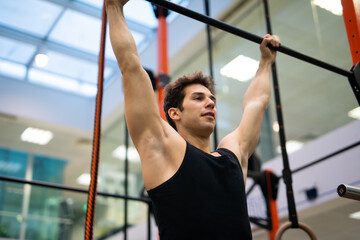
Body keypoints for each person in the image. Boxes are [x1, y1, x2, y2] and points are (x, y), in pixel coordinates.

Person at [105, 0, 280, 239]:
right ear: (175, 113)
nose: (210, 103)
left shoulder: (233, 156)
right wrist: (114, 8)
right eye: (198, 98)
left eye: (212, 100)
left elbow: (256, 103)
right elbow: (131, 68)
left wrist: (265, 63)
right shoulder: (164, 148)